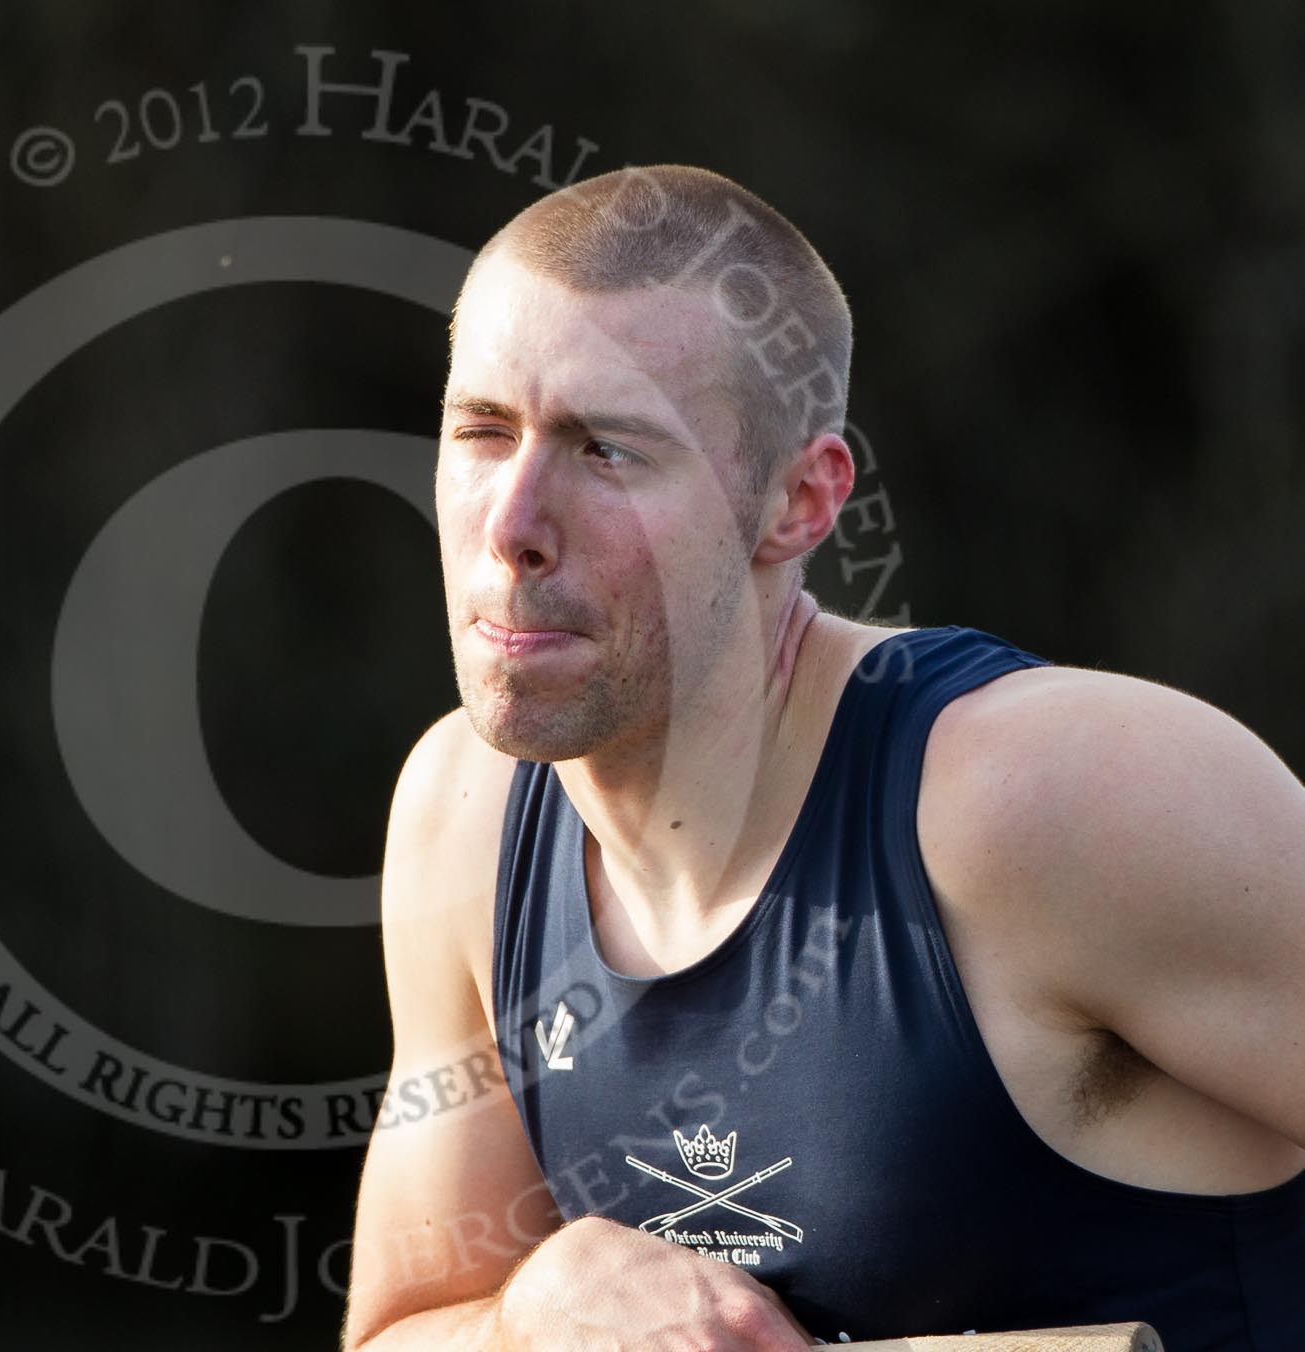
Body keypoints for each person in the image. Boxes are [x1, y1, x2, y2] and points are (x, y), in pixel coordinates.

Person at [340, 164, 1305, 1351]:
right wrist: (533, 1313)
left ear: (800, 500)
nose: (511, 525)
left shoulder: (1051, 798)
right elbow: (398, 1332)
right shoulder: (465, 821)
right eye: (483, 430)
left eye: (606, 450)